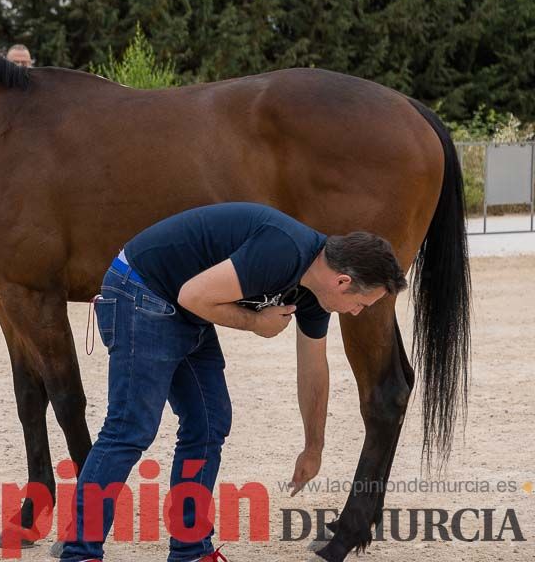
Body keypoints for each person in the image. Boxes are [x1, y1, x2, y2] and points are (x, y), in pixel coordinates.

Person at [61, 202, 407, 562]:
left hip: (183, 305)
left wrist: (313, 446)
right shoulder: (283, 249)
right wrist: (256, 323)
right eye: (362, 304)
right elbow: (193, 295)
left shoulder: (315, 291)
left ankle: (191, 551)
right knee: (130, 428)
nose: (357, 312)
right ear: (343, 282)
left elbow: (313, 368)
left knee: (210, 422)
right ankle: (80, 553)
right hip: (142, 291)